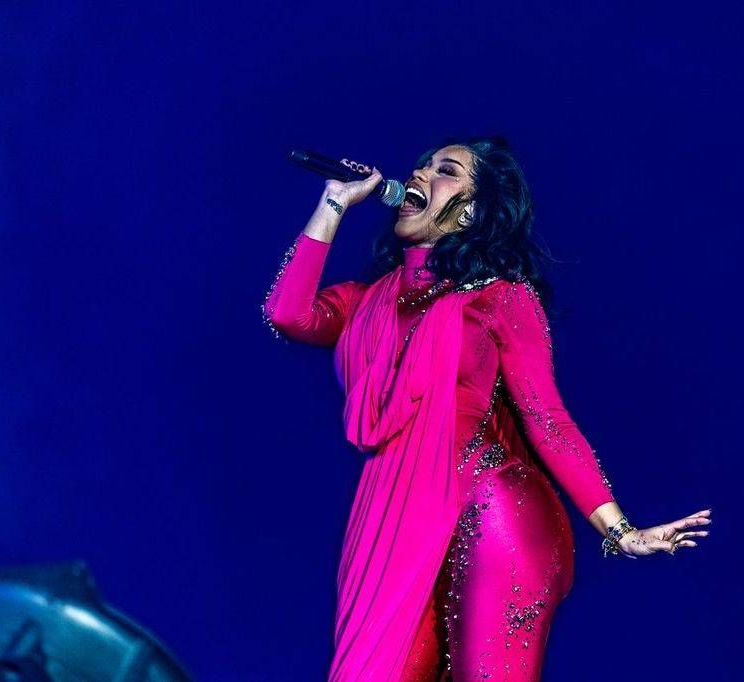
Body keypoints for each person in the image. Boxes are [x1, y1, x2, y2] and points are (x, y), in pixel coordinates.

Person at [263, 137, 712, 681]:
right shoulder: (367, 301)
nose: (421, 174)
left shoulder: (499, 297)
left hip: (490, 513)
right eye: (422, 166)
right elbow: (287, 314)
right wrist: (334, 202)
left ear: (471, 211)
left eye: (446, 170)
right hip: (389, 521)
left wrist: (621, 531)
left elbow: (547, 420)